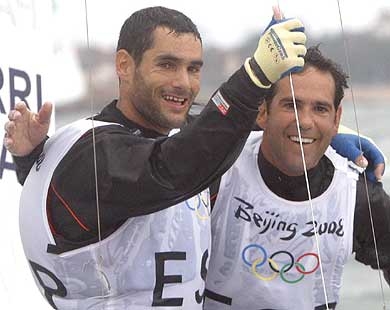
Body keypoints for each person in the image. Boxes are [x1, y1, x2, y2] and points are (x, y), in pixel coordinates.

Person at [3, 6, 309, 309]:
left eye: (193, 69)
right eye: (167, 65)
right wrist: (254, 76)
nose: (184, 83)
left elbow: (215, 132)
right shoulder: (92, 153)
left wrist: (328, 140)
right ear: (124, 65)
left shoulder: (177, 139)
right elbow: (170, 167)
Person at [203, 45, 390, 310]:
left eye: (320, 109)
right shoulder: (216, 166)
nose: (305, 121)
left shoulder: (355, 193)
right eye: (291, 105)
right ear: (263, 112)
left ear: (337, 119)